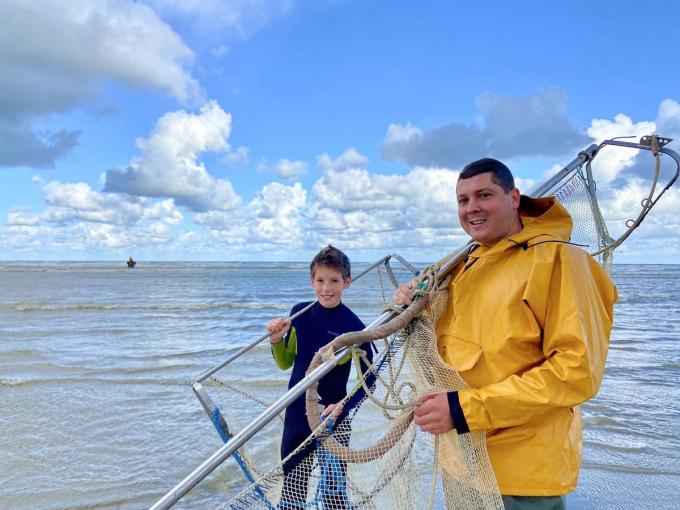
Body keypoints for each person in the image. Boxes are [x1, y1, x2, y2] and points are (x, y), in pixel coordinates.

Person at [394, 158, 617, 510]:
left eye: (484, 195)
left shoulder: (561, 262)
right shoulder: (464, 265)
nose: (472, 208)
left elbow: (576, 374)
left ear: (514, 197)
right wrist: (416, 306)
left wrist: (462, 409)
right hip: (463, 461)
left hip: (520, 476)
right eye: (463, 200)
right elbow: (458, 345)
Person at [267, 245, 374, 509]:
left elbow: (370, 379)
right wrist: (276, 340)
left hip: (333, 418)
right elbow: (285, 363)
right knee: (293, 488)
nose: (327, 288)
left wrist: (343, 406)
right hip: (297, 413)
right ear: (311, 281)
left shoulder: (354, 327)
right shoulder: (299, 314)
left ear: (347, 282)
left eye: (334, 281)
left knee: (334, 492)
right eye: (320, 280)